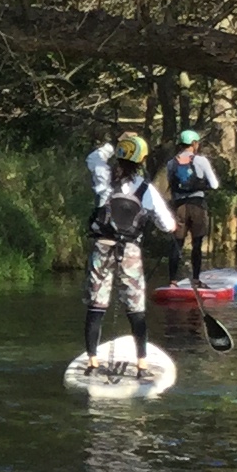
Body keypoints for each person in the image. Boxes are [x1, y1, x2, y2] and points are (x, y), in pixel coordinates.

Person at [81, 140, 175, 376]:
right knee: (136, 309)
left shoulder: (104, 177)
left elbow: (93, 158)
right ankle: (141, 364)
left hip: (102, 248)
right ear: (142, 161)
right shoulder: (146, 189)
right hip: (130, 252)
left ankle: (92, 361)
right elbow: (167, 225)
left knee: (96, 306)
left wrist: (112, 144)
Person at [161, 128, 221, 284]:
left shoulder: (171, 163)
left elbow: (172, 184)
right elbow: (214, 185)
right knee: (197, 243)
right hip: (197, 206)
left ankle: (172, 281)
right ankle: (195, 279)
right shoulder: (201, 161)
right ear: (194, 144)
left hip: (179, 207)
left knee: (177, 244)